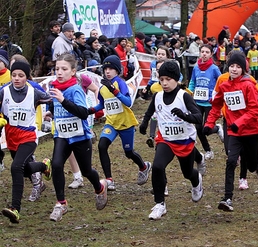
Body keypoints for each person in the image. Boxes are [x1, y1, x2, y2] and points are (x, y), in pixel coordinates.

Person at [139, 60, 203, 220]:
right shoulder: (158, 96)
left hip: (184, 141)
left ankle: (197, 180)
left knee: (187, 173)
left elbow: (198, 118)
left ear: (176, 79)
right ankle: (159, 204)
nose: (164, 83)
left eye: (168, 79)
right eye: (161, 80)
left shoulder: (184, 97)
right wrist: (144, 123)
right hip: (166, 139)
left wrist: (184, 115)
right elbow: (150, 111)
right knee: (158, 167)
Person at [48, 53, 108, 222]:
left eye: (64, 69)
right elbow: (56, 107)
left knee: (87, 170)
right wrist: (50, 112)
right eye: (57, 68)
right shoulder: (54, 87)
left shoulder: (75, 89)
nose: (59, 72)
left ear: (73, 71)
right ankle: (61, 203)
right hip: (62, 135)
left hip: (80, 136)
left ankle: (99, 187)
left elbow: (82, 113)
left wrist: (63, 100)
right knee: (57, 164)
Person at [203, 53, 258, 211]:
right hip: (234, 131)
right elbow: (216, 105)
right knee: (231, 161)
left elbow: (255, 110)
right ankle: (227, 198)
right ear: (228, 67)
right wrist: (209, 123)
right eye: (232, 66)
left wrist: (240, 122)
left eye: (238, 66)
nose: (234, 69)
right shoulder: (224, 85)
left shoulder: (248, 85)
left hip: (251, 131)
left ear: (243, 69)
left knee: (251, 167)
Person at [88, 55, 151, 190]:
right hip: (111, 123)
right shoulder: (103, 87)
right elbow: (102, 105)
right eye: (105, 68)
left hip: (125, 123)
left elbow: (128, 103)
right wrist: (90, 110)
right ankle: (109, 179)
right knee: (102, 145)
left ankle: (144, 167)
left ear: (117, 70)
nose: (108, 71)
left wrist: (114, 90)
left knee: (128, 152)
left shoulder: (120, 83)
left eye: (111, 68)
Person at [0, 62, 53, 224]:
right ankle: (44, 166)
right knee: (24, 170)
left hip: (29, 137)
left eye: (21, 76)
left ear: (26, 77)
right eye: (14, 75)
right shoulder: (3, 92)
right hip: (12, 138)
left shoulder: (34, 92)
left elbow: (52, 99)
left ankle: (15, 209)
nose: (16, 78)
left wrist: (51, 114)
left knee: (16, 167)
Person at [188, 44, 223, 160]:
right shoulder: (196, 68)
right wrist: (189, 92)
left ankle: (217, 128)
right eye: (202, 51)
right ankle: (208, 150)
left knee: (206, 129)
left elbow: (221, 82)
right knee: (198, 129)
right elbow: (192, 82)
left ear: (211, 54)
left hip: (209, 103)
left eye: (207, 52)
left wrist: (217, 96)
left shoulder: (214, 68)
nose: (204, 54)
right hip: (197, 102)